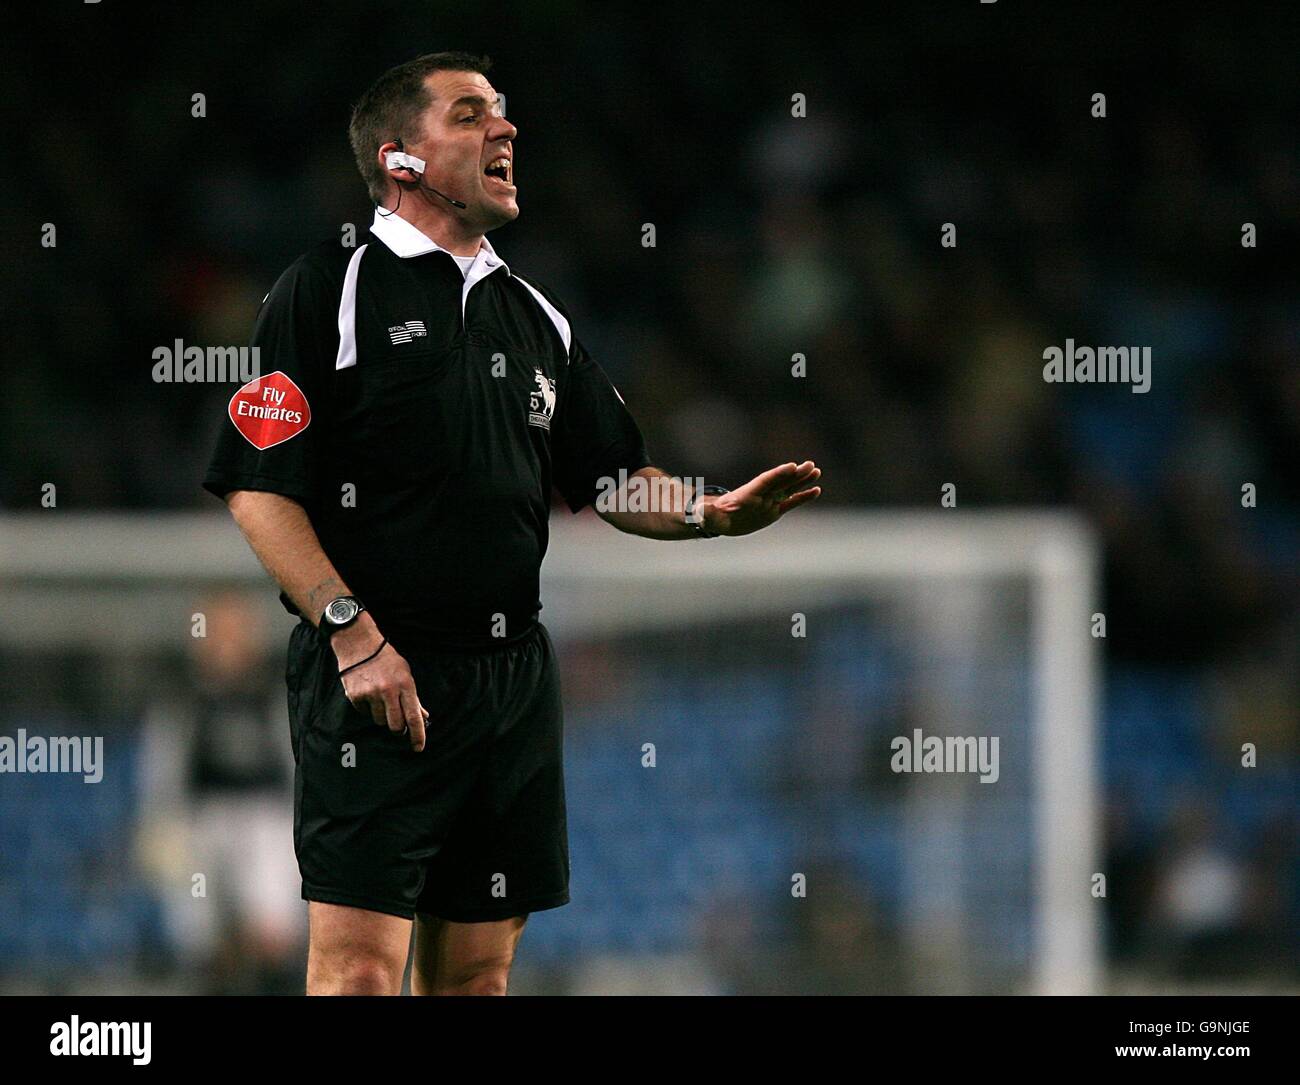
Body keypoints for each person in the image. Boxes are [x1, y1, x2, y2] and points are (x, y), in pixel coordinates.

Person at [203, 50, 821, 995]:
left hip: (510, 688)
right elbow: (259, 487)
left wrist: (706, 513)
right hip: (378, 677)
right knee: (361, 972)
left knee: (477, 985)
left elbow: (615, 482)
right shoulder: (327, 289)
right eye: (471, 113)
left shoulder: (537, 318)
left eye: (503, 111)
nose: (507, 128)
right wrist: (352, 633)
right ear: (401, 157)